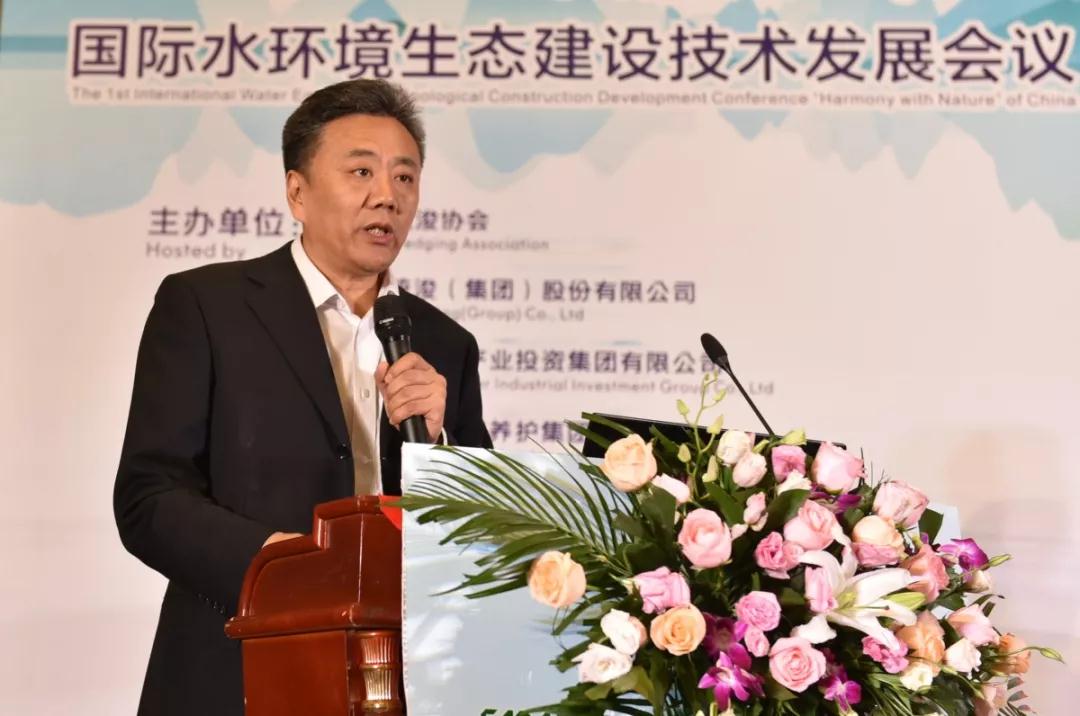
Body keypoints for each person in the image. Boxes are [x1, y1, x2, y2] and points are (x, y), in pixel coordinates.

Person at [114, 79, 491, 716]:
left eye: (405, 177)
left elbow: (486, 529)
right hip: (233, 666)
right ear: (297, 191)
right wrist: (279, 565)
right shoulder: (207, 306)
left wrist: (443, 443)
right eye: (361, 171)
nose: (387, 196)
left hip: (397, 677)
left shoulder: (444, 342)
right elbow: (149, 497)